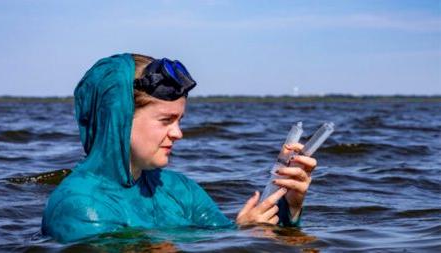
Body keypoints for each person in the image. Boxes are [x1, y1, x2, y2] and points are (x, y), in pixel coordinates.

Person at [41, 53, 317, 243]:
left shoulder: (177, 189)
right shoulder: (80, 207)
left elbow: (238, 236)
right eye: (166, 120)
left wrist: (287, 206)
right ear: (118, 119)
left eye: (179, 120)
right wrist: (237, 236)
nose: (178, 133)